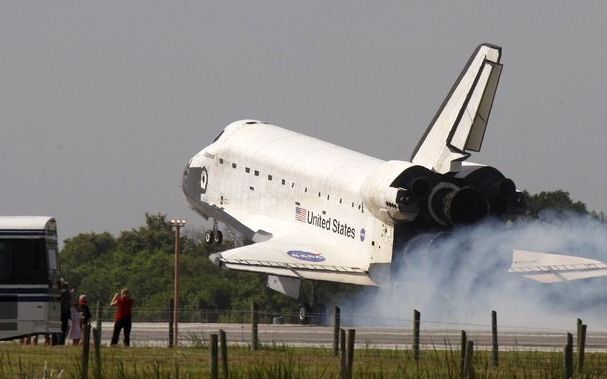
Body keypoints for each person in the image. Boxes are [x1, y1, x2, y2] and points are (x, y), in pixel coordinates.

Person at [59, 279, 71, 345]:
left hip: (59, 312)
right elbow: (69, 299)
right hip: (64, 312)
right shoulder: (66, 292)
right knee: (64, 328)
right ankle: (61, 342)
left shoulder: (59, 291)